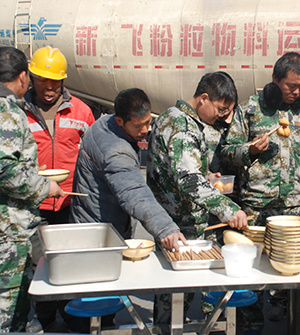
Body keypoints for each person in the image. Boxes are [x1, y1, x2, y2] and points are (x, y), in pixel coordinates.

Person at [222, 52, 300, 324]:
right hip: (256, 205)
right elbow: (226, 152)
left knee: (292, 269)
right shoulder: (250, 110)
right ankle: (249, 324)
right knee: (249, 271)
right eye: (291, 86)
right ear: (275, 80)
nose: (297, 92)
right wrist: (249, 150)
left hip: (293, 208)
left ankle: (291, 319)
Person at [146, 72, 247, 328]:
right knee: (174, 296)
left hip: (176, 216)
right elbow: (188, 180)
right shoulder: (182, 126)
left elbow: (178, 171)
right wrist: (228, 210)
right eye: (221, 109)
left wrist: (207, 177)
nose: (222, 116)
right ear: (203, 98)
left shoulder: (171, 117)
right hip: (180, 224)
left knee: (175, 295)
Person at [24, 45, 95, 332]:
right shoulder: (18, 112)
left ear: (63, 81)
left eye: (55, 81)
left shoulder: (80, 111)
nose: (49, 88)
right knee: (38, 263)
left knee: (69, 264)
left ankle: (72, 314)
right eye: (43, 80)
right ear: (32, 79)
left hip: (70, 202)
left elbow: (94, 153)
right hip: (34, 203)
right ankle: (43, 316)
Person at [0, 46, 64, 332]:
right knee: (9, 308)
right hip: (9, 231)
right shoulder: (8, 111)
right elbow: (6, 171)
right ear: (24, 77)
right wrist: (45, 186)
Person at [71, 88, 185, 247]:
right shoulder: (115, 150)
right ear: (120, 121)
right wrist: (165, 228)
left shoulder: (104, 123)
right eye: (138, 125)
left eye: (148, 122)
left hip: (93, 218)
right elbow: (133, 191)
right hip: (99, 232)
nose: (145, 130)